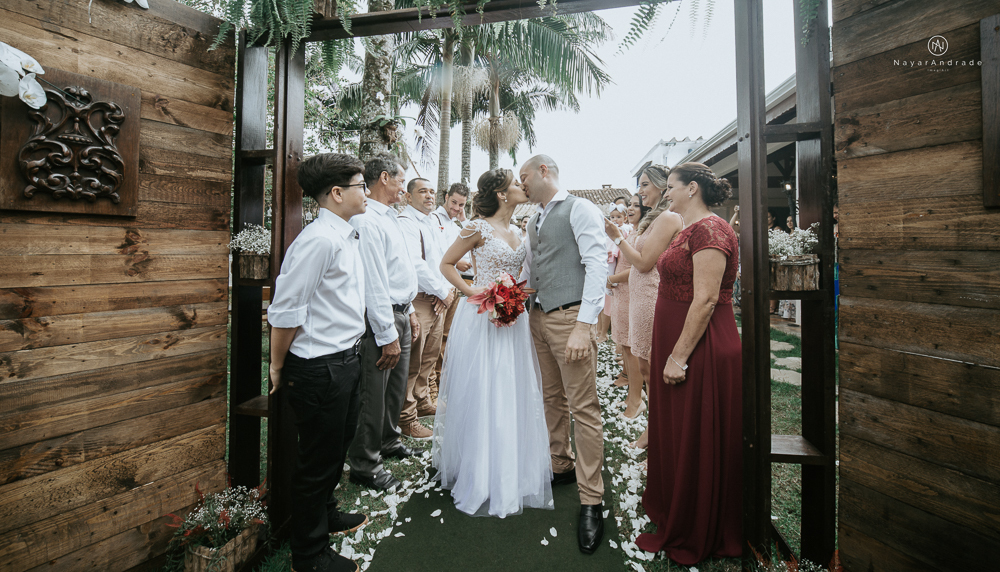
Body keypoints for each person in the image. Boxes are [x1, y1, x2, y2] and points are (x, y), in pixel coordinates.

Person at [267, 153, 369, 572]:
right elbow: (286, 310)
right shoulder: (319, 240)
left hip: (346, 359)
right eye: (361, 185)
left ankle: (326, 514)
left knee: (336, 446)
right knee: (316, 461)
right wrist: (276, 365)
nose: (366, 192)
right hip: (319, 365)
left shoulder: (344, 234)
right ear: (337, 193)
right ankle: (308, 555)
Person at [636, 162, 741, 564]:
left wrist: (678, 357)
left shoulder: (711, 230)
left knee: (695, 431)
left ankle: (697, 520)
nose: (666, 194)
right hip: (677, 338)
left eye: (671, 187)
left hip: (701, 346)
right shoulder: (687, 229)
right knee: (678, 429)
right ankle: (675, 504)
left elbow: (707, 298)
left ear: (692, 188)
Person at [432, 168, 553, 518]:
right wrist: (475, 291)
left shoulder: (518, 230)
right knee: (485, 389)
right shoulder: (477, 227)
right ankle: (481, 472)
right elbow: (446, 264)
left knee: (512, 388)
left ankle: (511, 469)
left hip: (514, 318)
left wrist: (515, 295)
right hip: (483, 319)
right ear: (501, 194)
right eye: (515, 184)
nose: (521, 186)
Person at [520, 155, 608, 554]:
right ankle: (561, 465)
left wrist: (584, 325)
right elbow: (532, 269)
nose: (521, 183)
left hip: (570, 317)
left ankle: (592, 500)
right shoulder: (533, 219)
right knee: (551, 399)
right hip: (537, 317)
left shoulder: (580, 208)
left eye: (524, 176)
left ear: (544, 171)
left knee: (583, 407)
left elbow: (596, 266)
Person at [347, 154, 420, 493]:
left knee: (395, 388)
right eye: (401, 181)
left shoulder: (390, 217)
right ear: (385, 178)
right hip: (382, 315)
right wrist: (386, 332)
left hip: (402, 311)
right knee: (373, 393)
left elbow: (399, 269)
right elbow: (373, 282)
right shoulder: (366, 220)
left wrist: (411, 311)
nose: (404, 188)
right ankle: (365, 464)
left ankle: (389, 441)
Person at [604, 165, 684, 450]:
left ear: (662, 186)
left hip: (651, 295)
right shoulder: (652, 219)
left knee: (652, 368)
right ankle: (654, 426)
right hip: (638, 296)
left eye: (645, 184)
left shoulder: (668, 217)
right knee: (644, 366)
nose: (639, 191)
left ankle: (661, 431)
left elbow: (643, 263)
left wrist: (617, 237)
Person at [397, 178, 455, 440]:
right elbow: (415, 264)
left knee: (429, 358)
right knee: (412, 360)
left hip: (438, 299)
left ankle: (422, 402)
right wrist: (443, 292)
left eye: (432, 191)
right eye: (423, 191)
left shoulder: (432, 222)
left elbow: (442, 261)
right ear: (409, 197)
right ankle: (406, 418)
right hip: (421, 299)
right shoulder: (406, 222)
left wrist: (444, 292)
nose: (430, 195)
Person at [432, 183, 473, 402]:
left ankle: (442, 385)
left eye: (462, 205)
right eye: (454, 202)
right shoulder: (433, 220)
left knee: (448, 340)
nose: (456, 208)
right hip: (439, 288)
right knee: (435, 342)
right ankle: (432, 388)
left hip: (454, 289)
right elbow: (437, 255)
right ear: (446, 197)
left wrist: (463, 218)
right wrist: (456, 263)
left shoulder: (456, 225)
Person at [606, 195, 647, 419]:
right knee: (625, 346)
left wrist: (610, 280)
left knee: (633, 349)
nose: (630, 208)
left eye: (636, 205)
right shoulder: (631, 231)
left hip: (632, 292)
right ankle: (633, 394)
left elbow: (639, 266)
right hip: (622, 293)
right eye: (629, 205)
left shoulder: (643, 233)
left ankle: (636, 400)